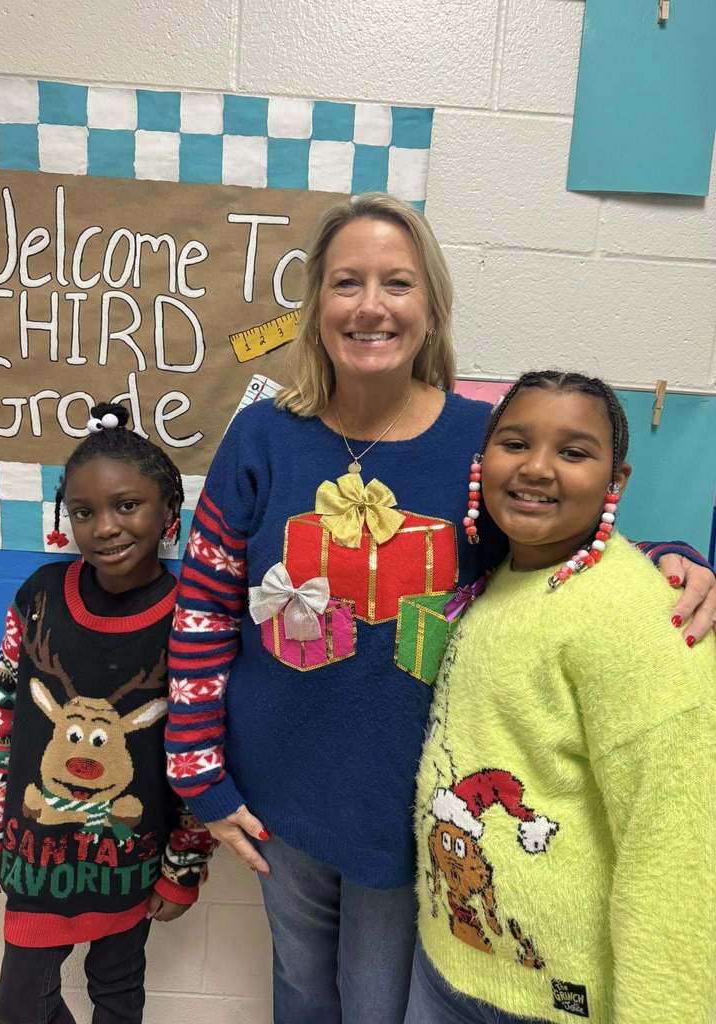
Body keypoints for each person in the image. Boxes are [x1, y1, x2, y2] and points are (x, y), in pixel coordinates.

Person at [165, 194, 715, 1024]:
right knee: (300, 993)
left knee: (378, 1005)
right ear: (317, 306)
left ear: (432, 307)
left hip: (408, 799)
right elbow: (204, 604)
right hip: (275, 789)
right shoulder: (263, 437)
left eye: (398, 282)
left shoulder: (480, 439)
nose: (371, 304)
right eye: (347, 282)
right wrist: (196, 769)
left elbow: (562, 543)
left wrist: (675, 559)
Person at [406, 371, 715, 1024]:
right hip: (450, 965)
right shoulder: (501, 578)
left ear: (616, 482)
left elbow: (680, 862)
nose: (538, 468)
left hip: (555, 1002)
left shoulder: (645, 623)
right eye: (515, 443)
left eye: (574, 452)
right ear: (482, 461)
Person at [0, 403, 215, 1024]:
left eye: (126, 506)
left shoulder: (192, 618)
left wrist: (183, 863)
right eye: (83, 511)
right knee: (17, 1005)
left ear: (168, 514)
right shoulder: (39, 597)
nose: (104, 526)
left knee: (119, 993)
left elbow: (203, 748)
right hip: (35, 852)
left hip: (130, 857)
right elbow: (1, 721)